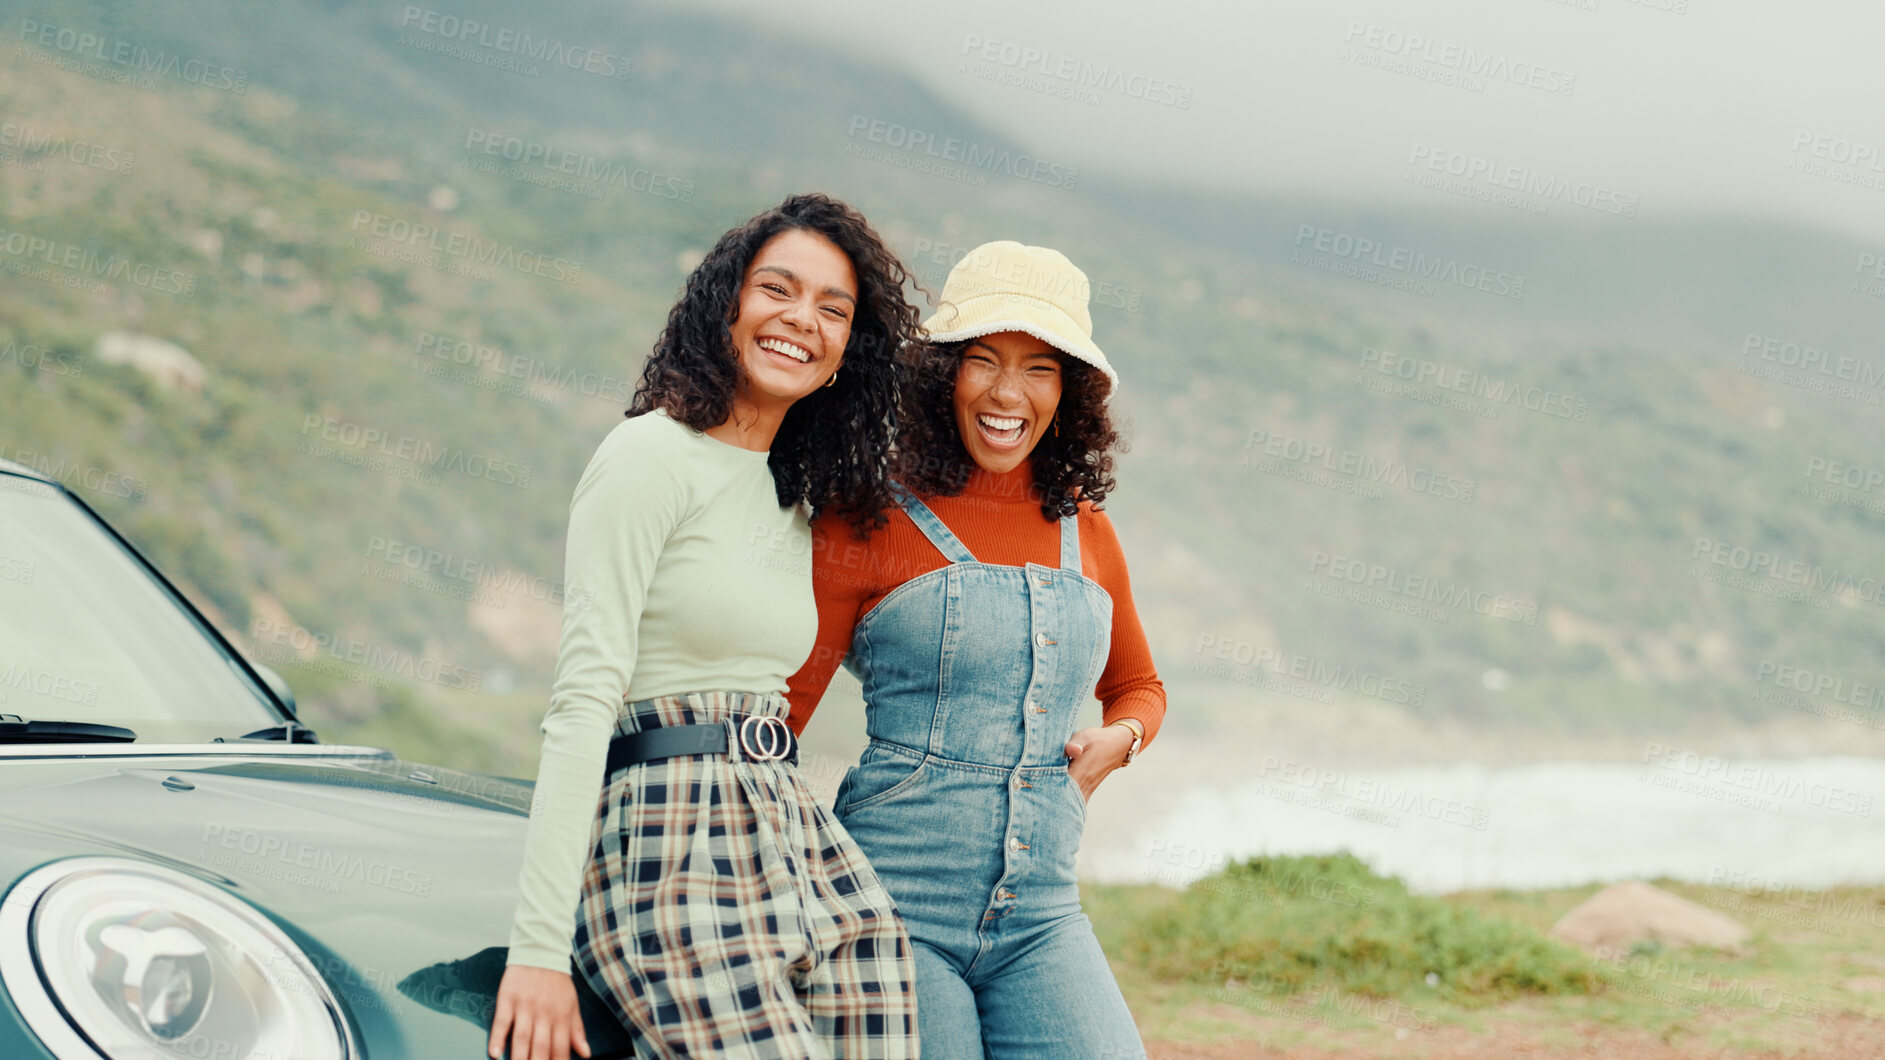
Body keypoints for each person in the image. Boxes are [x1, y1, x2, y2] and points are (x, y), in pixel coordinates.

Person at [490, 193, 923, 1060]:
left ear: (847, 352)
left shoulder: (792, 490)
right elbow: (582, 702)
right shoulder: (648, 457)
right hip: (668, 835)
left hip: (794, 830)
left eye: (832, 309)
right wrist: (537, 949)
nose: (801, 319)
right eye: (777, 289)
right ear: (726, 303)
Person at [786, 240, 1164, 1059]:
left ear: (1068, 392)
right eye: (984, 361)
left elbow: (1137, 685)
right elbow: (780, 714)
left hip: (1042, 917)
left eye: (1040, 369)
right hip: (892, 907)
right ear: (941, 374)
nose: (1006, 392)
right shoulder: (864, 520)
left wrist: (1120, 741)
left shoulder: (1087, 527)